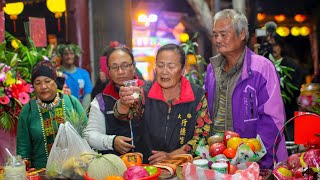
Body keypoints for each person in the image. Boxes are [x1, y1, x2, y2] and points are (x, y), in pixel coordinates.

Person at [205, 9, 287, 169]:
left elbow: (273, 122)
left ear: (242, 34)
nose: (218, 40)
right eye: (215, 35)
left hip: (256, 162)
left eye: (223, 34)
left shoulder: (262, 68)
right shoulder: (211, 69)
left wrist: (258, 162)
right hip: (221, 161)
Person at [115, 44, 212, 164]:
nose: (164, 71)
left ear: (182, 70)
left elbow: (202, 137)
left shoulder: (197, 96)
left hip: (182, 167)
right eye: (160, 66)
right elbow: (126, 115)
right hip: (148, 167)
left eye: (171, 66)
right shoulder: (144, 92)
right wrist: (123, 103)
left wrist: (172, 156)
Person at [16, 60, 87, 169]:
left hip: (75, 170)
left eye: (47, 81)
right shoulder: (28, 110)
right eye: (38, 83)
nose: (43, 86)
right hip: (41, 172)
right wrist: (23, 165)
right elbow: (23, 148)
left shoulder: (72, 102)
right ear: (33, 87)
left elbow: (87, 133)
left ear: (55, 81)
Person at [84, 46, 144, 155]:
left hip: (150, 165)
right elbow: (90, 135)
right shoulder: (101, 101)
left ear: (134, 67)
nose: (120, 71)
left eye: (125, 65)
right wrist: (112, 141)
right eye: (114, 67)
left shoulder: (148, 92)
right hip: (115, 166)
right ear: (109, 72)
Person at [270, 35, 306, 141]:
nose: (273, 48)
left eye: (275, 45)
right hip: (270, 114)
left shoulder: (290, 65)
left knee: (290, 141)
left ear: (280, 47)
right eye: (270, 45)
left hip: (288, 110)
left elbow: (298, 80)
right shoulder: (265, 63)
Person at [58, 44, 93, 109]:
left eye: (71, 54)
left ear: (75, 55)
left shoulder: (83, 73)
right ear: (61, 56)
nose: (69, 56)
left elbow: (87, 94)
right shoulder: (57, 73)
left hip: (80, 111)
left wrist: (82, 114)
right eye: (66, 54)